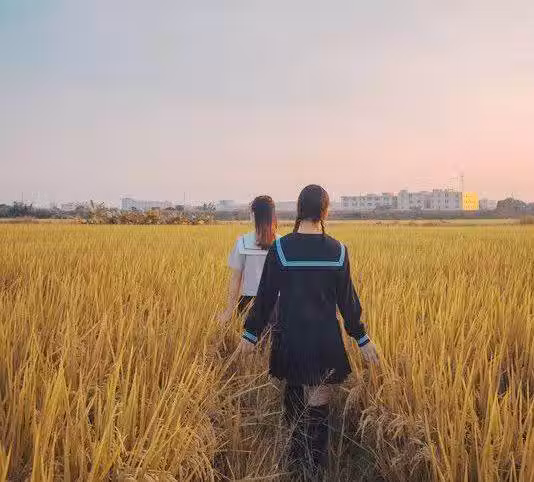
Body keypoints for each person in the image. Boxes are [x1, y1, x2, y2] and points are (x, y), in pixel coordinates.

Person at [238, 184, 379, 479]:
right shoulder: (338, 251)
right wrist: (362, 338)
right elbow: (348, 302)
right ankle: (313, 471)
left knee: (294, 400)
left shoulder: (280, 249)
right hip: (324, 343)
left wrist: (250, 334)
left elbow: (264, 298)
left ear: (299, 209)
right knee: (317, 412)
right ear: (325, 212)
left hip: (290, 340)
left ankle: (294, 465)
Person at [218, 195, 278, 322]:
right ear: (273, 216)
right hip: (276, 304)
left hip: (249, 304)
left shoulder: (243, 242)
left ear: (253, 215)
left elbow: (235, 280)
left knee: (248, 335)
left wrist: (229, 311)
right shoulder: (282, 243)